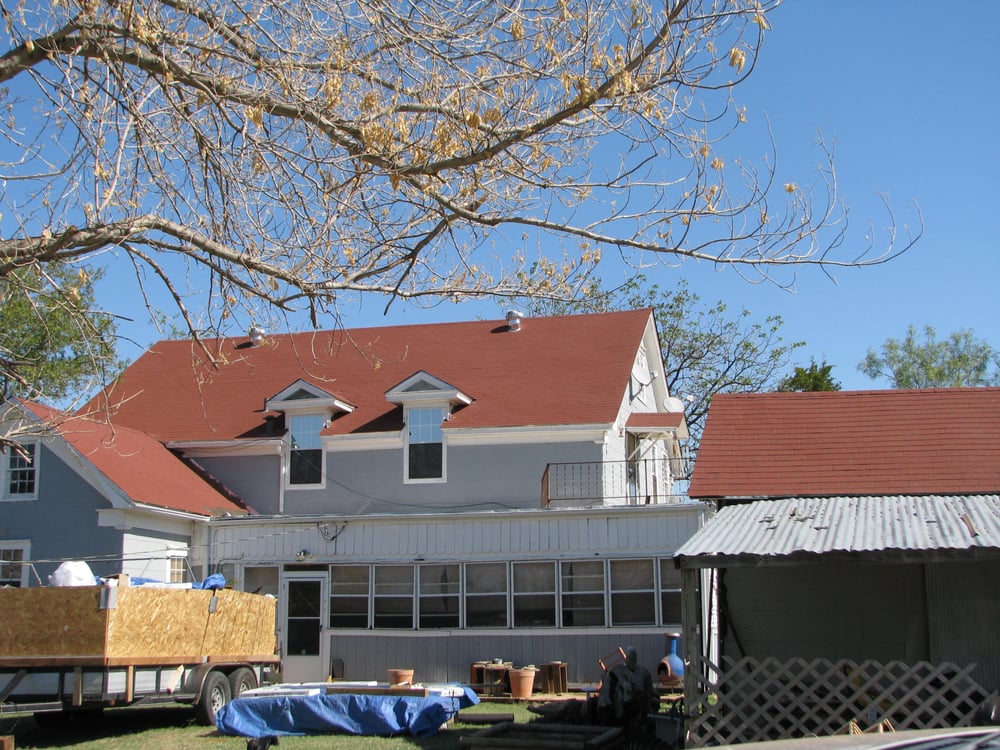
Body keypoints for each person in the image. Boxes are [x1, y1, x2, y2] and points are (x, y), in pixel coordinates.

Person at [597, 647, 658, 734]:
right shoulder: (618, 671)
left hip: (634, 702)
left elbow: (645, 689)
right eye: (629, 658)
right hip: (617, 703)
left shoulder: (641, 672)